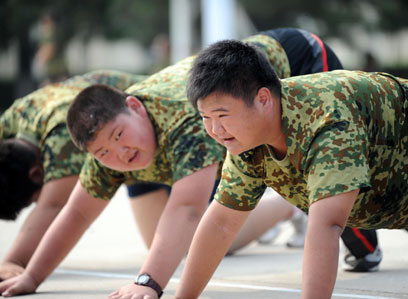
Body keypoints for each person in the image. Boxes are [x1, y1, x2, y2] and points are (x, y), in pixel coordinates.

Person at [0, 29, 306, 299]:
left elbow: (187, 209)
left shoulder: (185, 121)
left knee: (324, 191)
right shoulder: (110, 152)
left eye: (118, 137)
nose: (118, 152)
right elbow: (77, 213)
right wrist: (30, 277)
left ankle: (294, 198)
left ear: (135, 107)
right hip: (151, 142)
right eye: (104, 152)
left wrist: (148, 282)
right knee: (176, 242)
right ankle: (285, 206)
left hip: (291, 60)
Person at [174, 39, 408, 299]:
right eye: (206, 118)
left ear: (263, 99)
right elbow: (222, 223)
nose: (215, 130)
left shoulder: (327, 118)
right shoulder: (245, 139)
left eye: (222, 115)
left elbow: (327, 225)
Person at [230, 29, 383, 274]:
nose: (216, 127)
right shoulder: (209, 108)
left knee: (332, 162)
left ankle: (365, 247)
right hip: (271, 73)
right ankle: (289, 212)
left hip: (306, 56)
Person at [0, 70, 146, 281]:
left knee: (192, 234)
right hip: (136, 160)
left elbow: (53, 205)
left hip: (167, 136)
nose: (38, 204)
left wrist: (14, 261)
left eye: (35, 199)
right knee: (171, 244)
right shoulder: (16, 114)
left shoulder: (61, 133)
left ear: (37, 174)